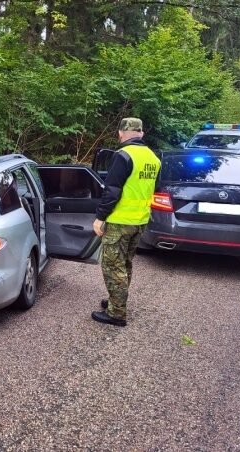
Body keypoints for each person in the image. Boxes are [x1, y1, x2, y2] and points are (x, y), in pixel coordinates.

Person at [91, 117, 161, 327]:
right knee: (125, 263)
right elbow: (153, 188)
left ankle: (117, 313)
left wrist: (100, 217)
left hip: (120, 220)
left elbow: (112, 190)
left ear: (121, 133)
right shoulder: (153, 157)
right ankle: (116, 300)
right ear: (141, 134)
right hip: (140, 220)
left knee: (113, 266)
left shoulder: (123, 155)